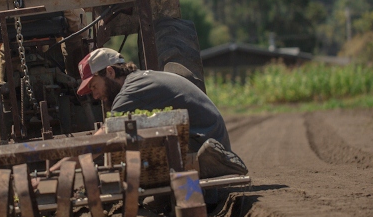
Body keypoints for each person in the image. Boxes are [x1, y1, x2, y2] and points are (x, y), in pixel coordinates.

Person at [76, 48, 247, 178]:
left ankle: (205, 161)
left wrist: (64, 164)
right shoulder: (138, 79)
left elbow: (105, 137)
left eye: (94, 86)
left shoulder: (130, 91)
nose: (95, 95)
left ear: (110, 72)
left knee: (140, 161)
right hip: (209, 134)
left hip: (206, 142)